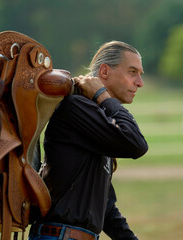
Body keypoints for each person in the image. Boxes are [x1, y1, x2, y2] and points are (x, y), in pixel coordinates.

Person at [29, 40, 148, 240]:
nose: (139, 82)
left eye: (140, 75)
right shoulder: (76, 108)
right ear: (104, 71)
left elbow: (105, 207)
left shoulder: (96, 118)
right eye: (132, 72)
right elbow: (136, 144)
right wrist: (103, 95)